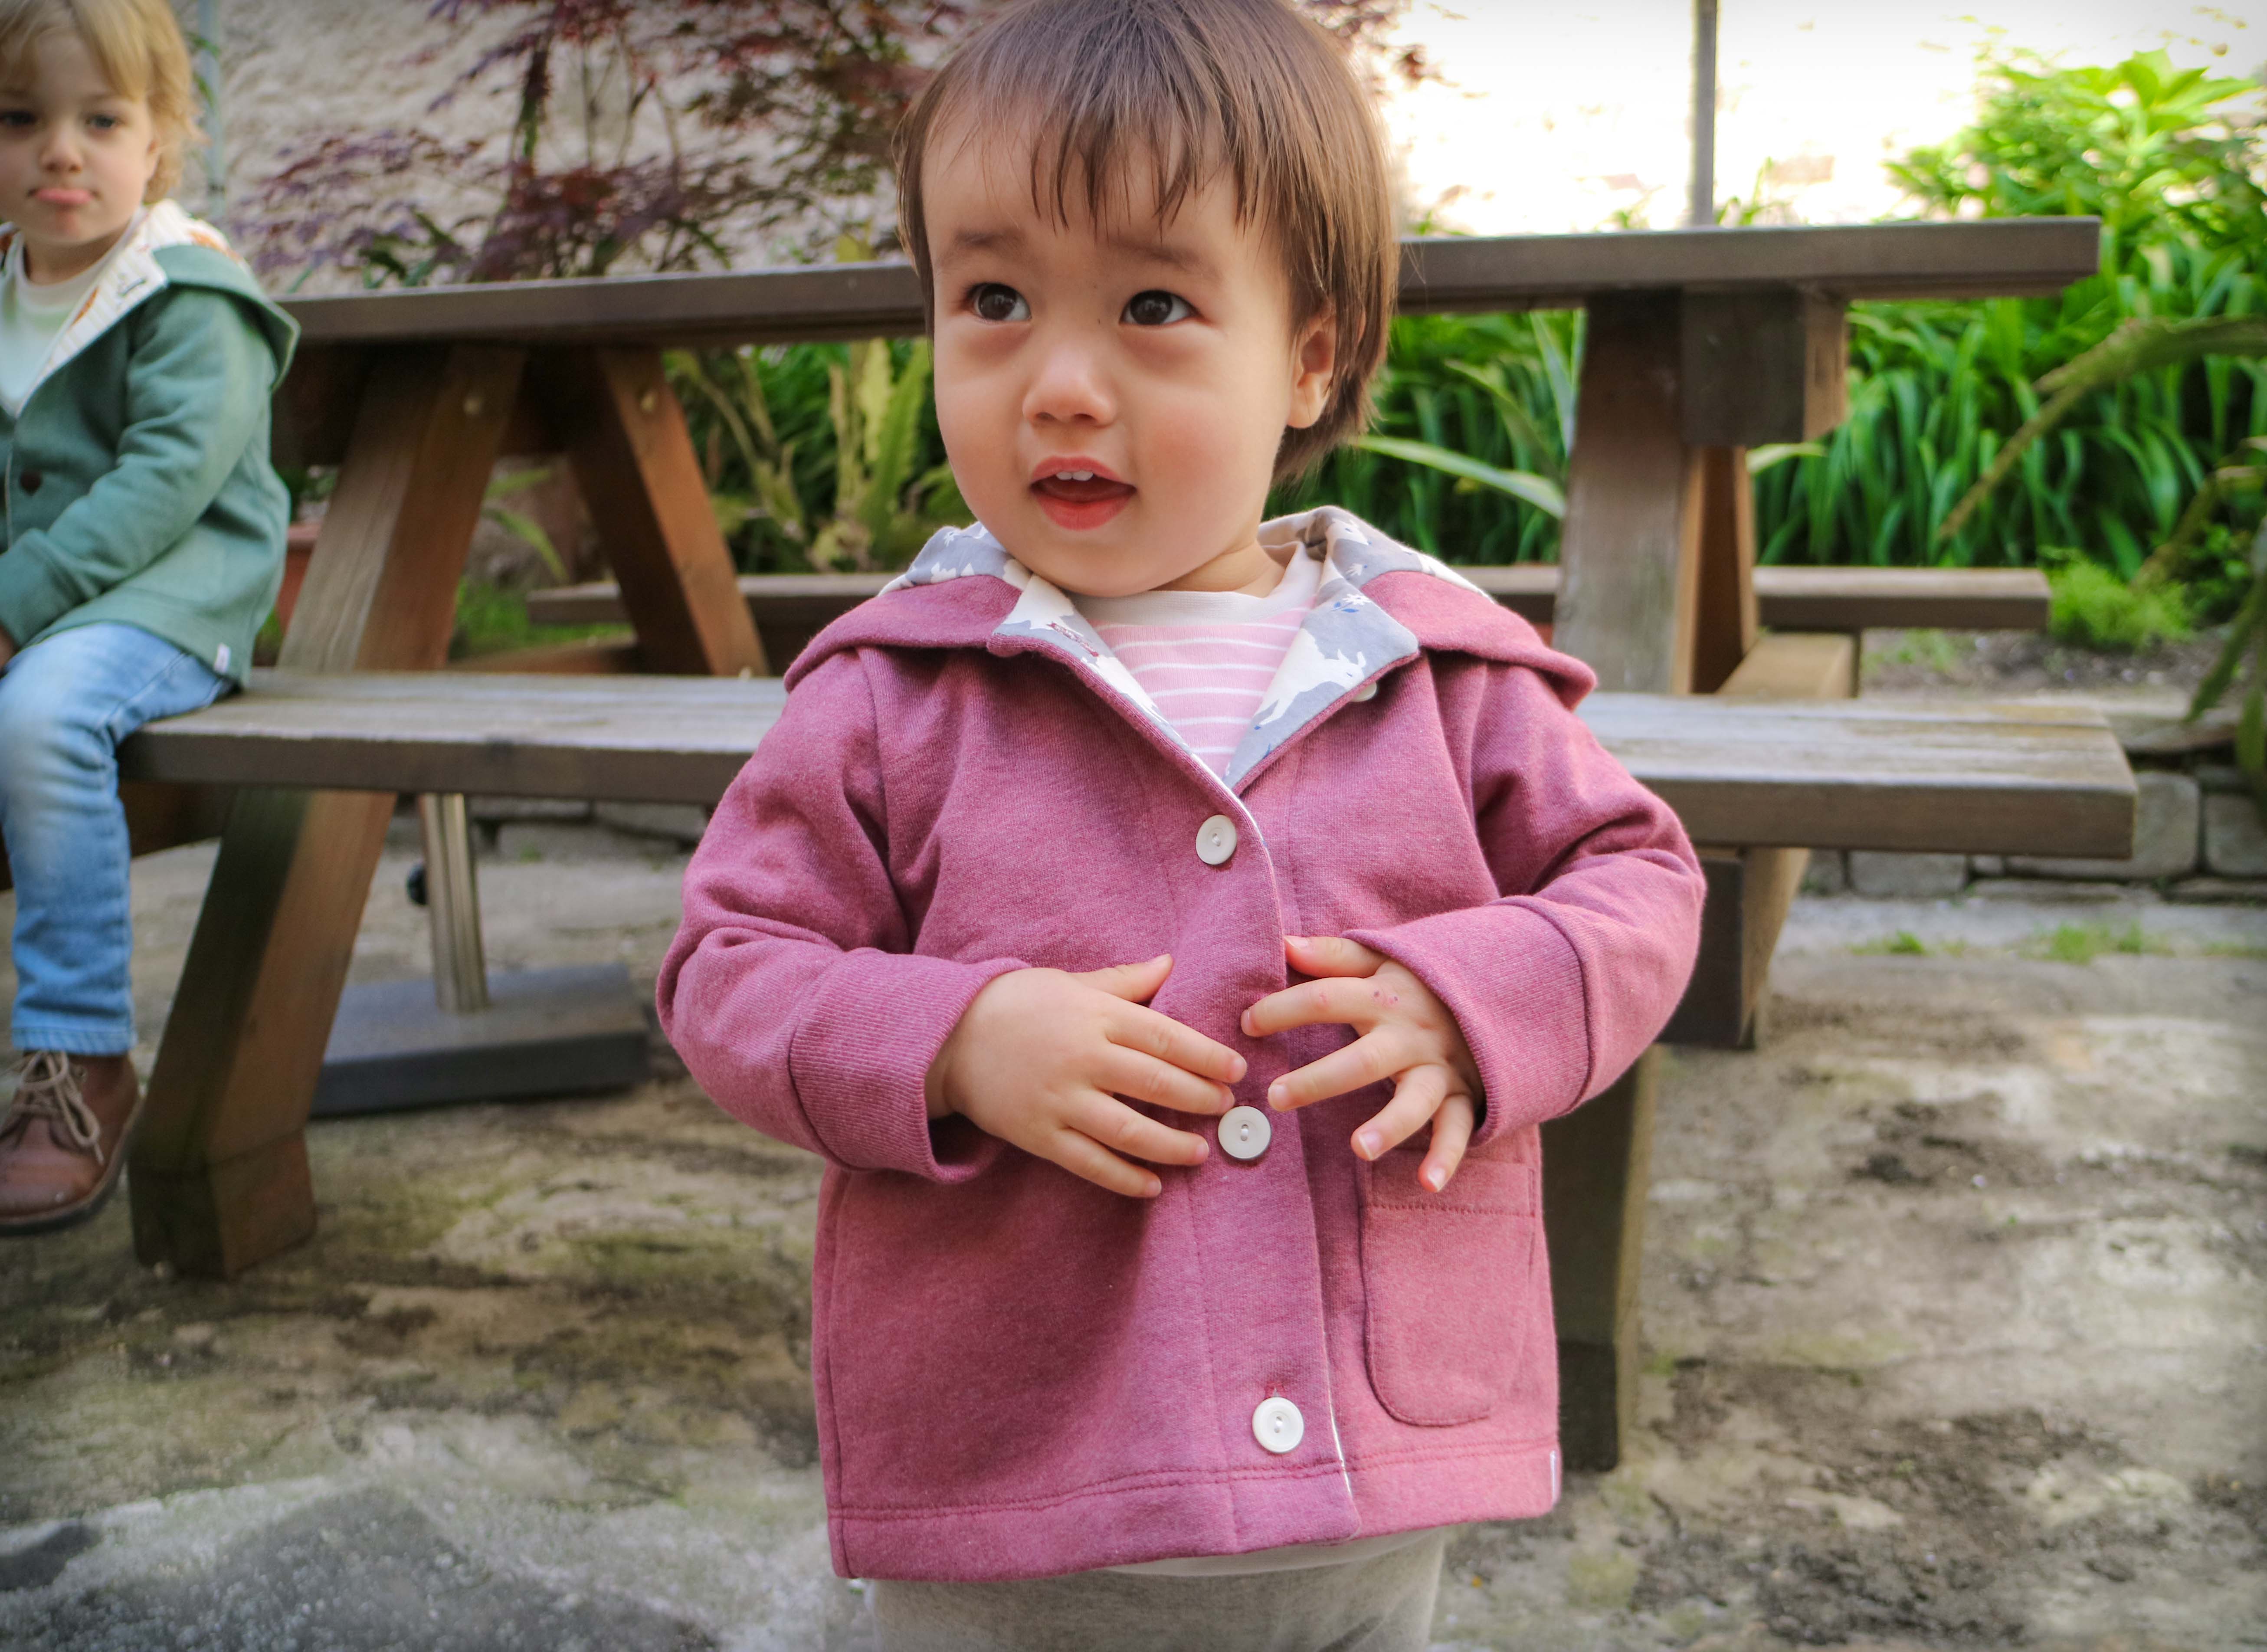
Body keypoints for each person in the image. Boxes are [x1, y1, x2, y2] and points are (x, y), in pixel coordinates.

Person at [659, 0, 1704, 1643]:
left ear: (1310, 357)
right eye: (993, 301)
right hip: (1016, 1500)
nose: (1062, 385)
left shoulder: (1438, 672)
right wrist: (950, 1041)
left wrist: (1474, 1001)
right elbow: (728, 968)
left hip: (1367, 1477)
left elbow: (1636, 882)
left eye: (1153, 306)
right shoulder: (888, 693)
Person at [0, 0, 296, 1234]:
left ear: (162, 138)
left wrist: (13, 613)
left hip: (169, 603)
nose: (60, 152)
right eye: (21, 118)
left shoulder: (187, 293)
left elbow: (161, 485)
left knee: (40, 718)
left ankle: (81, 1058)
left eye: (102, 121)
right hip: (39, 604)